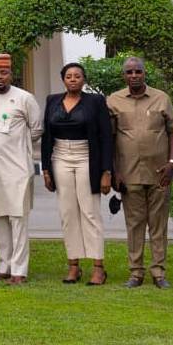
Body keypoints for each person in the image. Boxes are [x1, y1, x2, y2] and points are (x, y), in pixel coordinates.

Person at [108, 56, 173, 289]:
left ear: (144, 73)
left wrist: (172, 162)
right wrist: (114, 171)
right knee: (135, 224)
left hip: (160, 172)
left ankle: (159, 272)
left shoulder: (161, 98)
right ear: (124, 76)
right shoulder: (114, 101)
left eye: (138, 71)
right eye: (129, 72)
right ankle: (136, 272)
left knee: (158, 224)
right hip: (129, 174)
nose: (134, 75)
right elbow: (109, 138)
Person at [42, 62, 113, 286]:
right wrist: (45, 168)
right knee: (67, 212)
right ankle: (73, 265)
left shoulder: (96, 102)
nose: (73, 79)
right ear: (63, 79)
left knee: (90, 211)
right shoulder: (52, 100)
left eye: (77, 76)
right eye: (69, 76)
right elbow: (46, 136)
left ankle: (98, 267)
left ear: (84, 80)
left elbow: (105, 137)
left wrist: (106, 171)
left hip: (87, 157)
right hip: (61, 156)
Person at [0, 54, 44, 285]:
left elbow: (37, 130)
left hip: (18, 169)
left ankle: (20, 270)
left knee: (18, 220)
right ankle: (3, 267)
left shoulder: (25, 98)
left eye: (3, 72)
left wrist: (20, 145)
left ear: (11, 73)